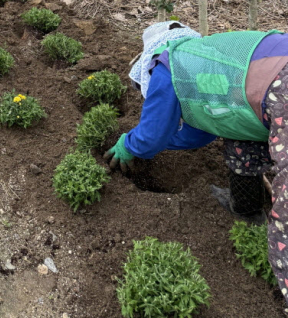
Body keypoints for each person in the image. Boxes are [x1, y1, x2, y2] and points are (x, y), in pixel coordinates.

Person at [104, 21, 288, 304]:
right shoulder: (205, 59)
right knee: (238, 136)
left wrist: (130, 144)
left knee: (284, 223)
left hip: (282, 89)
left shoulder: (165, 66)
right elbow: (206, 127)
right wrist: (160, 139)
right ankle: (247, 207)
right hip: (273, 83)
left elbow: (152, 137)